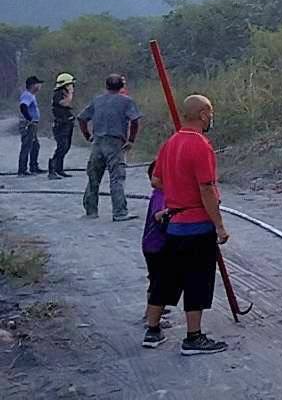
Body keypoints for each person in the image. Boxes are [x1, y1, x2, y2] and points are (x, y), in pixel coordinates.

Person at [146, 94, 229, 355]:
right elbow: (206, 188)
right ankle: (193, 337)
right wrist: (219, 225)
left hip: (174, 224)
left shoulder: (170, 143)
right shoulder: (201, 145)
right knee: (197, 280)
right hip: (197, 223)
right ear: (203, 114)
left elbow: (156, 180)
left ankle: (153, 330)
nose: (211, 117)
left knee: (165, 279)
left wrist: (177, 192)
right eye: (210, 112)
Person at [78, 74, 142, 221]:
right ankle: (119, 212)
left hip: (98, 142)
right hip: (115, 143)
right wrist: (131, 140)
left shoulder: (97, 100)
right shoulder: (127, 101)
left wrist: (88, 136)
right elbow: (135, 120)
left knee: (93, 177)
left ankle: (91, 211)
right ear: (122, 86)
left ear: (106, 86)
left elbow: (82, 118)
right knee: (116, 177)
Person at [140, 161, 172, 343]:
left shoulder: (161, 193)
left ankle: (153, 310)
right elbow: (158, 216)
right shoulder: (161, 195)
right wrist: (174, 210)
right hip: (155, 245)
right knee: (158, 282)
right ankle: (150, 317)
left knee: (157, 279)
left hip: (154, 245)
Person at [47, 73, 76, 179]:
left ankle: (59, 169)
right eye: (71, 84)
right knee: (61, 146)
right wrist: (70, 93)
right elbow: (65, 103)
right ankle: (52, 170)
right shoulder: (58, 93)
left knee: (66, 146)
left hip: (67, 123)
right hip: (60, 125)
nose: (72, 86)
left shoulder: (64, 93)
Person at [17, 75, 43, 176]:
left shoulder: (31, 95)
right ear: (33, 85)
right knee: (27, 146)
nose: (40, 86)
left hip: (32, 124)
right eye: (38, 84)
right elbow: (23, 106)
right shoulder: (27, 95)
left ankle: (33, 167)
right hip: (28, 124)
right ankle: (22, 170)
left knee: (35, 145)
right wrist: (29, 119)